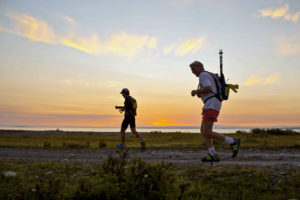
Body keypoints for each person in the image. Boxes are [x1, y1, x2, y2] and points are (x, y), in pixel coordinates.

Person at [189, 61, 240, 162]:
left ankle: (233, 141)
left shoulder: (203, 75)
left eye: (193, 69)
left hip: (211, 104)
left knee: (207, 131)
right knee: (203, 130)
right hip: (211, 103)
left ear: (200, 67)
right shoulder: (208, 75)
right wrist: (200, 93)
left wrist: (196, 91)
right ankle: (212, 154)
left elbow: (208, 88)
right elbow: (208, 90)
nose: (192, 72)